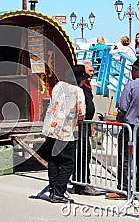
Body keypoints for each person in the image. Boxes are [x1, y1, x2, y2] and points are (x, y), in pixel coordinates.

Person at [105, 58, 139, 200]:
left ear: (136, 71)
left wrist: (119, 117)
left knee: (125, 159)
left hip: (130, 128)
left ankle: (124, 189)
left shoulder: (130, 86)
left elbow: (123, 107)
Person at [42, 67, 87, 203]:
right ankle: (59, 192)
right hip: (66, 131)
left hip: (51, 129)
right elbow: (81, 113)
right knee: (68, 162)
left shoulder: (58, 86)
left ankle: (52, 190)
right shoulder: (78, 91)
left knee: (53, 160)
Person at [72, 64, 101, 196]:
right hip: (79, 126)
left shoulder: (88, 88)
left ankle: (80, 183)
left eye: (93, 71)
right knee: (82, 156)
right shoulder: (79, 88)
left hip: (85, 126)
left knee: (84, 155)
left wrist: (91, 126)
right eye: (89, 71)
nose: (92, 73)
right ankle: (82, 184)